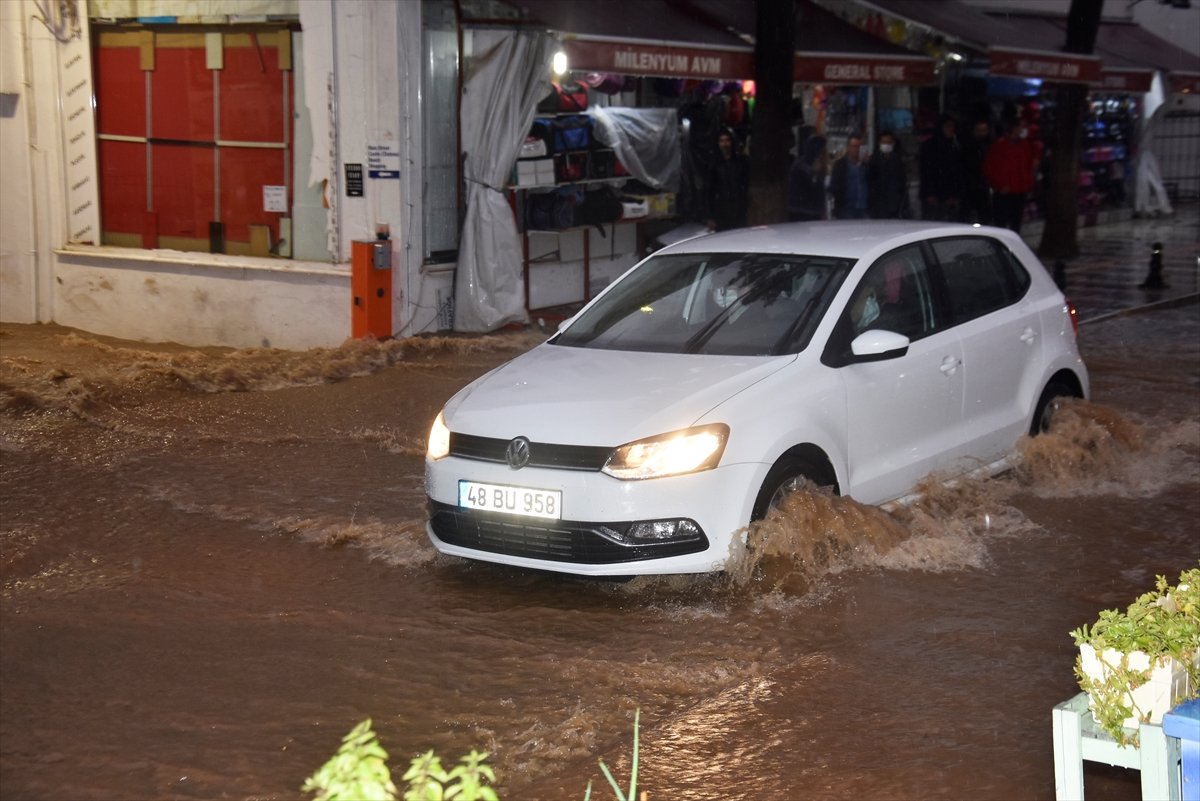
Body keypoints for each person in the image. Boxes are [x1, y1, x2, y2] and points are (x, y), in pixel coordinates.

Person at [984, 120, 1039, 233]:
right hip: (1005, 190)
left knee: (1016, 222)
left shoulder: (1025, 145)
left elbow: (1029, 166)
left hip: (1019, 189)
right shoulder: (1000, 146)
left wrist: (1028, 183)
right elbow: (990, 168)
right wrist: (999, 185)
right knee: (1002, 222)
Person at [918, 114, 965, 221]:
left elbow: (958, 171)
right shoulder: (929, 146)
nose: (951, 129)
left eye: (952, 126)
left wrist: (956, 194)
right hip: (935, 195)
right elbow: (926, 171)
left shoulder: (955, 146)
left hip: (951, 195)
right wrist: (930, 193)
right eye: (947, 126)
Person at [704, 127, 750, 232]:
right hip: (721, 211)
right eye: (721, 141)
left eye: (727, 140)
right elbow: (709, 191)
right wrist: (710, 216)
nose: (725, 144)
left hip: (739, 209)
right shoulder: (714, 164)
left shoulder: (741, 162)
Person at [866, 131, 910, 219]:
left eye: (889, 143)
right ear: (879, 143)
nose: (886, 145)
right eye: (884, 142)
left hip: (895, 205)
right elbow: (869, 181)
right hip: (878, 206)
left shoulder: (898, 161)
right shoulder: (874, 160)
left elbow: (902, 182)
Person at [787, 135, 828, 221]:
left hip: (811, 211)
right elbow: (813, 186)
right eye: (823, 152)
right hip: (803, 212)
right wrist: (815, 172)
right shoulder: (801, 166)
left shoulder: (806, 164)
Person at [961, 119, 993, 225]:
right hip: (968, 186)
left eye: (984, 130)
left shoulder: (989, 145)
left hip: (983, 186)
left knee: (984, 215)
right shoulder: (967, 146)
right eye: (979, 130)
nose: (982, 133)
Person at [829, 134, 869, 219]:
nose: (857, 150)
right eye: (854, 146)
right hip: (846, 208)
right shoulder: (840, 165)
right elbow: (834, 186)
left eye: (859, 147)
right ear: (848, 147)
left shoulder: (865, 165)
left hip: (863, 208)